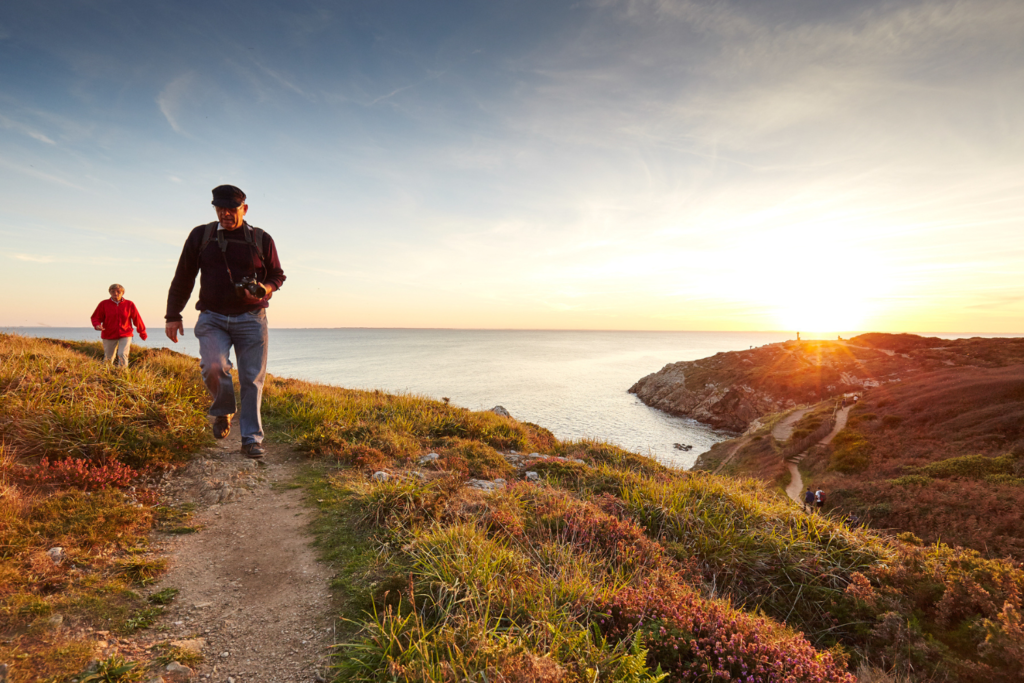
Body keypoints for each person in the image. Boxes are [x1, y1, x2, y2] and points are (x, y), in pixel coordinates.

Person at [165, 185, 286, 458]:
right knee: (213, 366)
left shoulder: (261, 239)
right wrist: (173, 315)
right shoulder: (202, 236)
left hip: (252, 318)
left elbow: (278, 275)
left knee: (251, 379)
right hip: (212, 316)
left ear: (244, 208)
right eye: (220, 209)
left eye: (231, 209)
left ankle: (251, 439)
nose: (225, 214)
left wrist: (264, 288)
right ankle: (224, 411)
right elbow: (184, 276)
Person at [90, 283, 147, 367]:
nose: (115, 293)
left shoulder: (129, 304)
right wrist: (97, 325)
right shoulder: (104, 304)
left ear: (123, 293)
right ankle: (106, 375)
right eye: (113, 291)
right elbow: (95, 317)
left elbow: (137, 319)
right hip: (108, 333)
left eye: (118, 291)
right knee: (109, 357)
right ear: (109, 292)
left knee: (122, 354)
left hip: (125, 333)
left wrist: (142, 332)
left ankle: (122, 374)